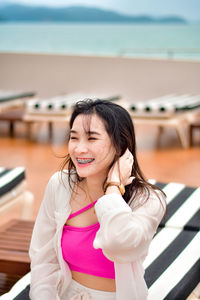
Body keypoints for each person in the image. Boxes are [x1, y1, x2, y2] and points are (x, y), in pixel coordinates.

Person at [29, 99, 166, 300]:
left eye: (92, 139)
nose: (79, 149)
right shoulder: (59, 185)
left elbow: (119, 245)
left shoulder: (148, 200)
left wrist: (113, 188)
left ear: (120, 145)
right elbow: (43, 258)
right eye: (74, 138)